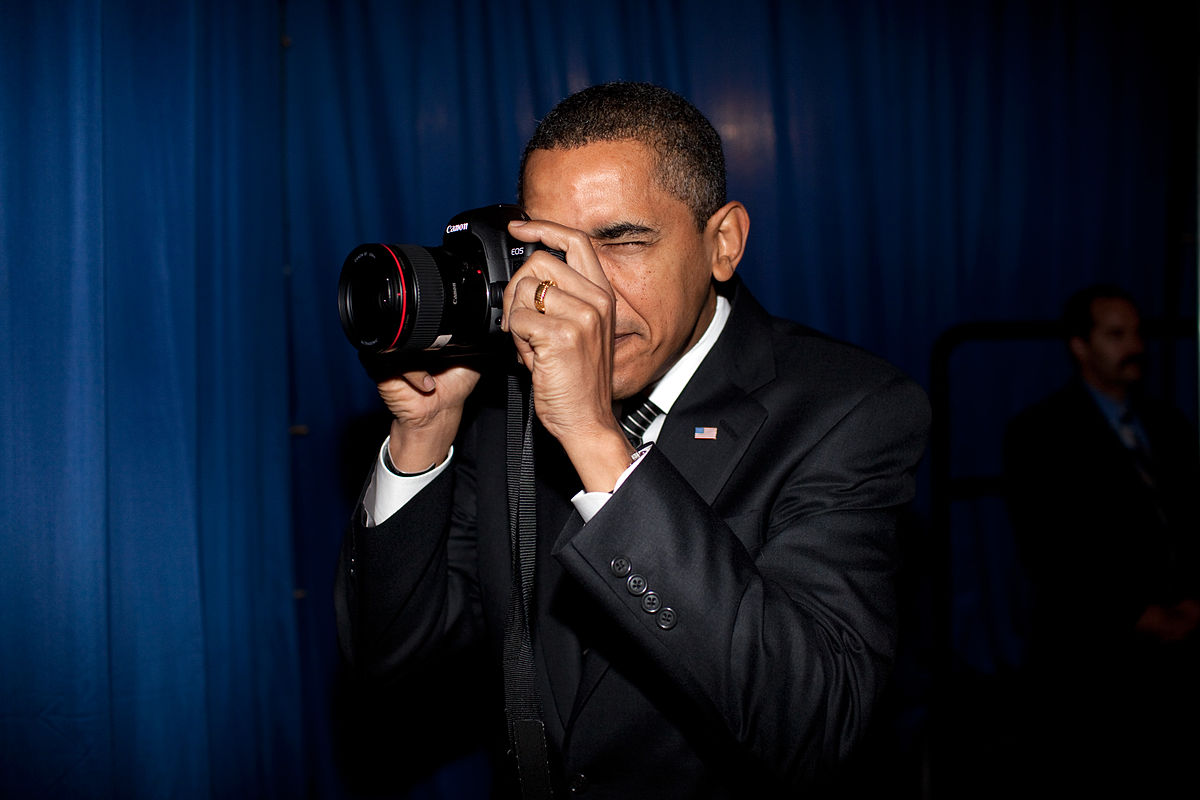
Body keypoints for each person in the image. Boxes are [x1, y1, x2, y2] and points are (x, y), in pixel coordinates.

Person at [335, 81, 930, 798]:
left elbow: (813, 725)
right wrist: (424, 435)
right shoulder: (502, 405)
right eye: (550, 249)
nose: (581, 291)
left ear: (723, 243)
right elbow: (391, 661)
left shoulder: (849, 408)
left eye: (621, 241)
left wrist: (594, 440)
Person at [1003, 283, 1200, 797]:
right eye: (1116, 335)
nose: (1134, 346)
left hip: (1178, 646)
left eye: (1136, 333)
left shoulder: (1170, 424)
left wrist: (1191, 605)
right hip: (1093, 659)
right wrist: (1136, 613)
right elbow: (1052, 550)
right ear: (1080, 345)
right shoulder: (1041, 432)